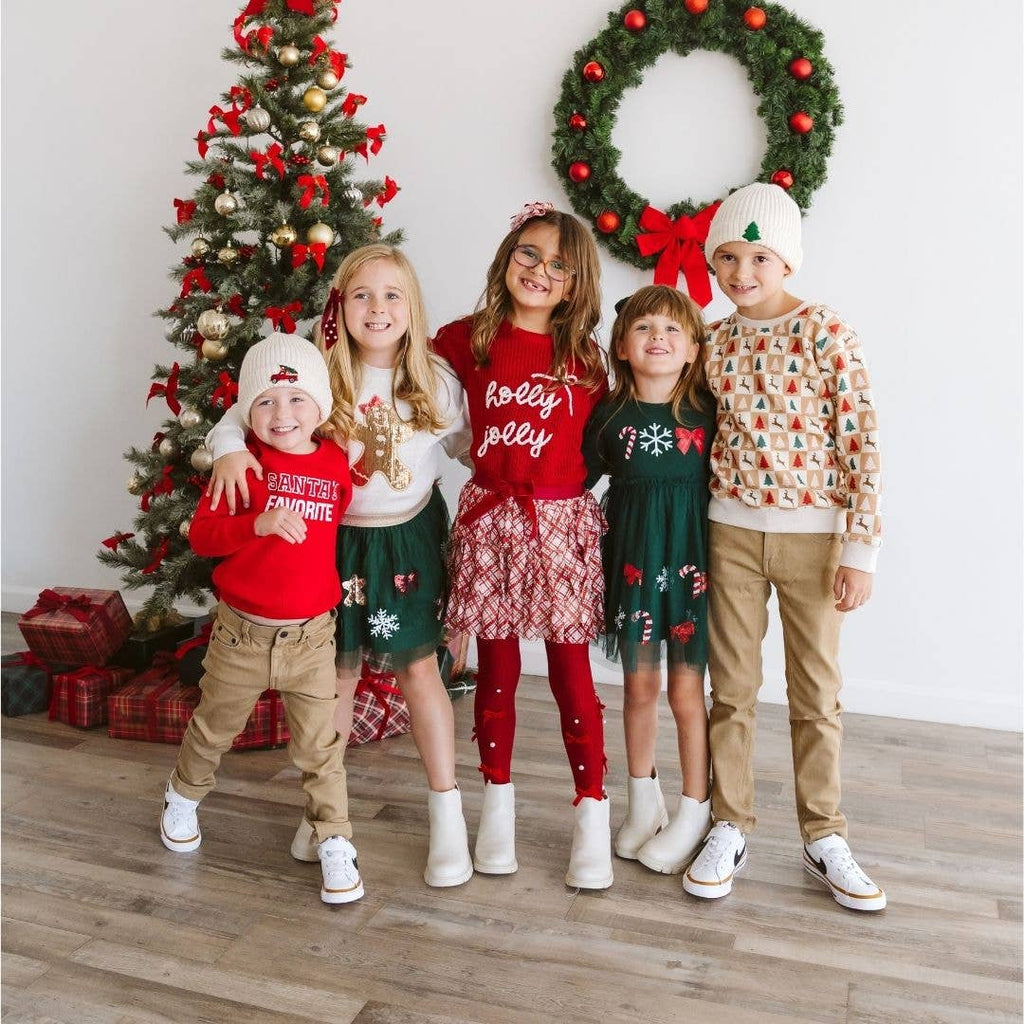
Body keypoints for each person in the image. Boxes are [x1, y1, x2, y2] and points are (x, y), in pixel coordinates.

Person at [205, 245, 474, 888]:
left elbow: (479, 456)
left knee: (419, 671)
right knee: (336, 675)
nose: (376, 309)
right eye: (360, 295)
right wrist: (226, 452)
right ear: (340, 305)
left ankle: (449, 819)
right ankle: (327, 817)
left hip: (408, 541)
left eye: (391, 296)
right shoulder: (317, 371)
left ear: (411, 307)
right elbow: (239, 415)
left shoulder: (436, 382)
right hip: (332, 543)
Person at [683, 182, 886, 911]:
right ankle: (728, 822)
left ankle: (823, 835)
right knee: (731, 692)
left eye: (757, 256)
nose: (741, 272)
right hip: (730, 534)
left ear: (787, 262)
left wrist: (859, 549)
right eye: (727, 257)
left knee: (816, 696)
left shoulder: (826, 331)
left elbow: (862, 439)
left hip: (813, 542)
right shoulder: (713, 340)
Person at [431, 202, 612, 889]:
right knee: (497, 669)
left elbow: (596, 444)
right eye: (528, 254)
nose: (539, 271)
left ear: (575, 283)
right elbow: (406, 381)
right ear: (507, 257)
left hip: (560, 524)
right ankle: (495, 807)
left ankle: (590, 810)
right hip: (488, 521)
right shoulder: (467, 338)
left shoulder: (584, 358)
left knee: (572, 672)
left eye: (557, 264)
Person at [161, 332, 363, 905]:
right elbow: (201, 537)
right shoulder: (241, 466)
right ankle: (182, 795)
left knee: (322, 748)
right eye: (267, 401)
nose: (283, 414)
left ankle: (334, 839)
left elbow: (340, 513)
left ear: (319, 407)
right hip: (241, 636)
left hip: (312, 638)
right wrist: (257, 524)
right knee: (213, 728)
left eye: (298, 399)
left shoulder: (335, 463)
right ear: (247, 410)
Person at [583, 285, 715, 877]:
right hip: (634, 569)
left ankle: (695, 808)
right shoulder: (609, 416)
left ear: (692, 349)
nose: (657, 338)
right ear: (621, 345)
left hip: (692, 571)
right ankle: (642, 802)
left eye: (671, 329)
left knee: (687, 696)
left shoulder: (708, 413)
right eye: (643, 328)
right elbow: (578, 484)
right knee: (638, 692)